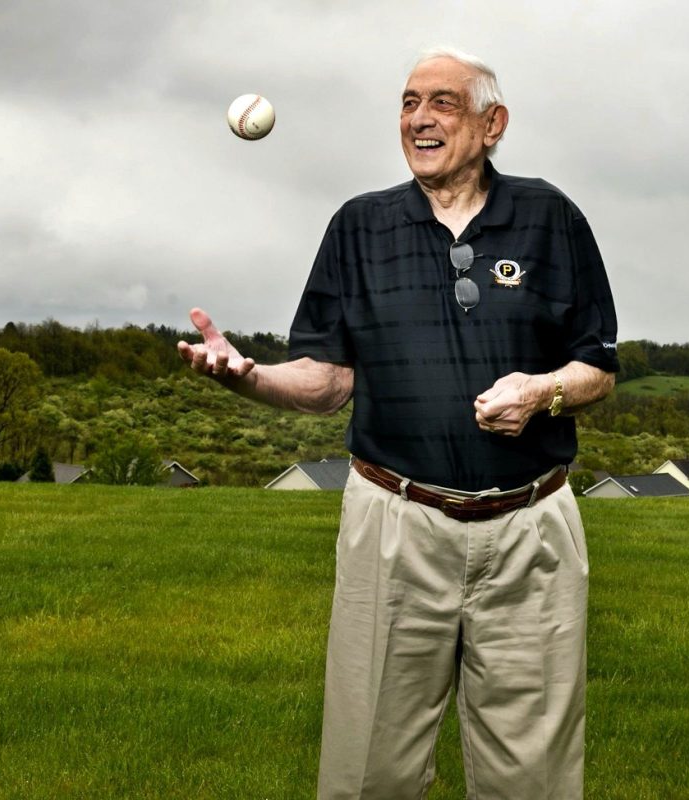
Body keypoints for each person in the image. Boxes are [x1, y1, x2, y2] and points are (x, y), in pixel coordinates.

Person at [178, 46, 618, 800]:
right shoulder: (360, 227)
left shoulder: (550, 218)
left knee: (534, 777)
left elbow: (598, 369)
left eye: (443, 102)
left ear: (492, 124)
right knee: (368, 770)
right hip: (394, 524)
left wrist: (543, 391)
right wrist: (248, 377)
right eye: (409, 103)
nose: (419, 118)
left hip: (531, 529)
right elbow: (328, 382)